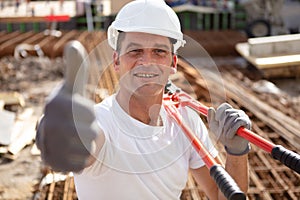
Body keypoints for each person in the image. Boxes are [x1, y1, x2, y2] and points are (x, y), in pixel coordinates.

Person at [36, 0, 251, 199]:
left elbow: (220, 195)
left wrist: (236, 152)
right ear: (117, 61)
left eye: (159, 51)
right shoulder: (101, 122)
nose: (146, 61)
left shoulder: (187, 120)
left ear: (173, 63)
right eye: (135, 51)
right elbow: (86, 143)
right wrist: (61, 136)